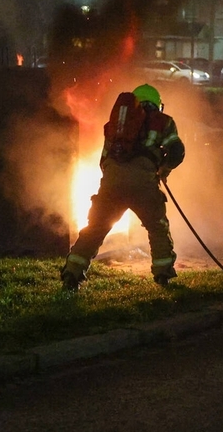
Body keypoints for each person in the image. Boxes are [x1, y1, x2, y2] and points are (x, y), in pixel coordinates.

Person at [61, 83, 186, 290]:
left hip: (111, 186)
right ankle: (163, 274)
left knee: (95, 229)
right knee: (157, 227)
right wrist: (163, 169)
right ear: (156, 104)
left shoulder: (114, 126)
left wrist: (115, 180)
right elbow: (177, 151)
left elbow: (103, 160)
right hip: (143, 185)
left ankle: (72, 274)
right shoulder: (163, 121)